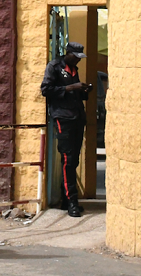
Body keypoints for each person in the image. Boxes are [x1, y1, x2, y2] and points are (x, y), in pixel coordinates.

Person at [40, 41, 92, 218]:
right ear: (68, 53)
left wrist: (84, 90)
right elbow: (46, 90)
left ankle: (66, 198)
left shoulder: (74, 70)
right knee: (67, 159)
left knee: (74, 160)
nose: (78, 60)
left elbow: (75, 94)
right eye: (75, 57)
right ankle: (71, 202)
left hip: (77, 117)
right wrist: (70, 87)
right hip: (63, 118)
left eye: (80, 58)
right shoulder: (54, 67)